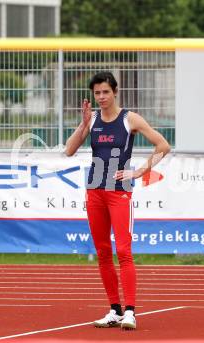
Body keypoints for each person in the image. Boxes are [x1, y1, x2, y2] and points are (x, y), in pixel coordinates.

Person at [65, 71, 170, 330]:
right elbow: (68, 150)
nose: (101, 97)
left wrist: (139, 171)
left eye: (105, 92)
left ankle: (130, 312)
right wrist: (83, 124)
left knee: (123, 251)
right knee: (102, 252)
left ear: (115, 92)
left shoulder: (129, 119)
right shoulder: (93, 120)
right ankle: (114, 309)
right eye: (97, 93)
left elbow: (163, 146)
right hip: (94, 192)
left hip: (119, 192)